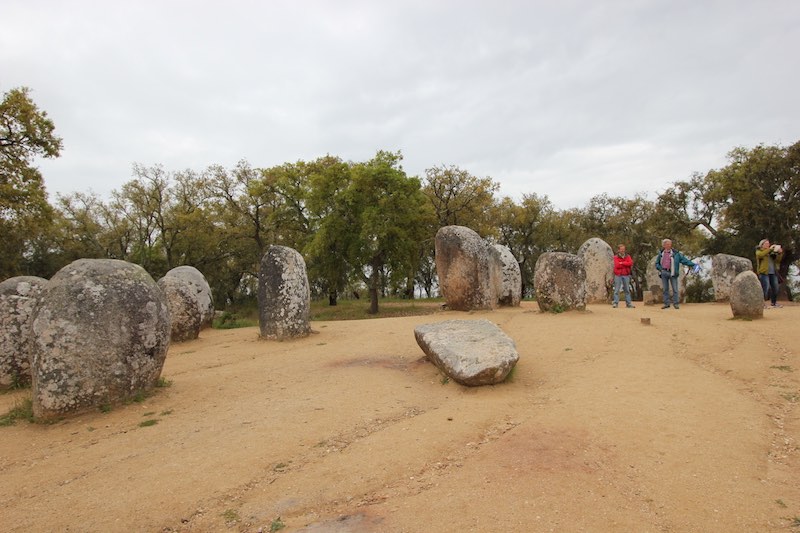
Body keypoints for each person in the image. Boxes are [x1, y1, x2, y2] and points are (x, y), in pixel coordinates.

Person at [655, 239, 697, 309]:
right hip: (664, 272)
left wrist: (693, 265)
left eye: (670, 244)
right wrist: (660, 268)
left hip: (673, 272)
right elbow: (657, 263)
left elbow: (684, 260)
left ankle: (676, 304)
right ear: (664, 245)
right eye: (667, 244)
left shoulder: (676, 254)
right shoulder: (661, 254)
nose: (669, 245)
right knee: (665, 289)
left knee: (675, 289)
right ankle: (666, 304)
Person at [755, 239, 783, 308]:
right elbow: (760, 255)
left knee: (775, 288)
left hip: (773, 272)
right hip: (764, 272)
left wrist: (779, 253)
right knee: (765, 288)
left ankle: (774, 303)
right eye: (766, 243)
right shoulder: (759, 251)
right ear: (762, 245)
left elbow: (778, 260)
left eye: (768, 243)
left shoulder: (771, 252)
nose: (768, 245)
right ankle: (762, 303)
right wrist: (770, 249)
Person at [612, 244, 634, 308]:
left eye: (623, 249)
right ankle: (615, 303)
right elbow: (617, 265)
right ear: (618, 250)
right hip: (618, 275)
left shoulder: (628, 256)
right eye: (621, 249)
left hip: (626, 275)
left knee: (627, 289)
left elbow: (630, 263)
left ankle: (628, 303)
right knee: (617, 289)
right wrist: (625, 263)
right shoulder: (615, 257)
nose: (623, 251)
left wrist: (622, 263)